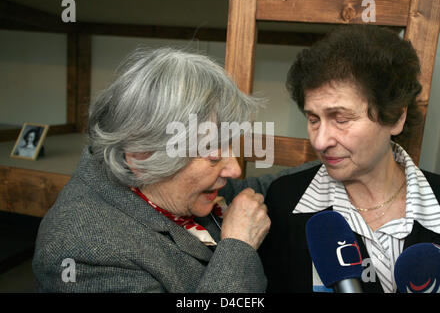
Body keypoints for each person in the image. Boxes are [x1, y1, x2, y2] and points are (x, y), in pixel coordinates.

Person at [32, 47, 313, 292]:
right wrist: (238, 246)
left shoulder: (171, 185)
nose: (234, 170)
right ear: (143, 156)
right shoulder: (84, 251)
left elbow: (266, 189)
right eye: (213, 155)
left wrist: (342, 160)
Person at [259, 25, 440, 293]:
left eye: (341, 119)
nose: (320, 141)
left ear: (395, 116)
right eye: (312, 119)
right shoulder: (285, 203)